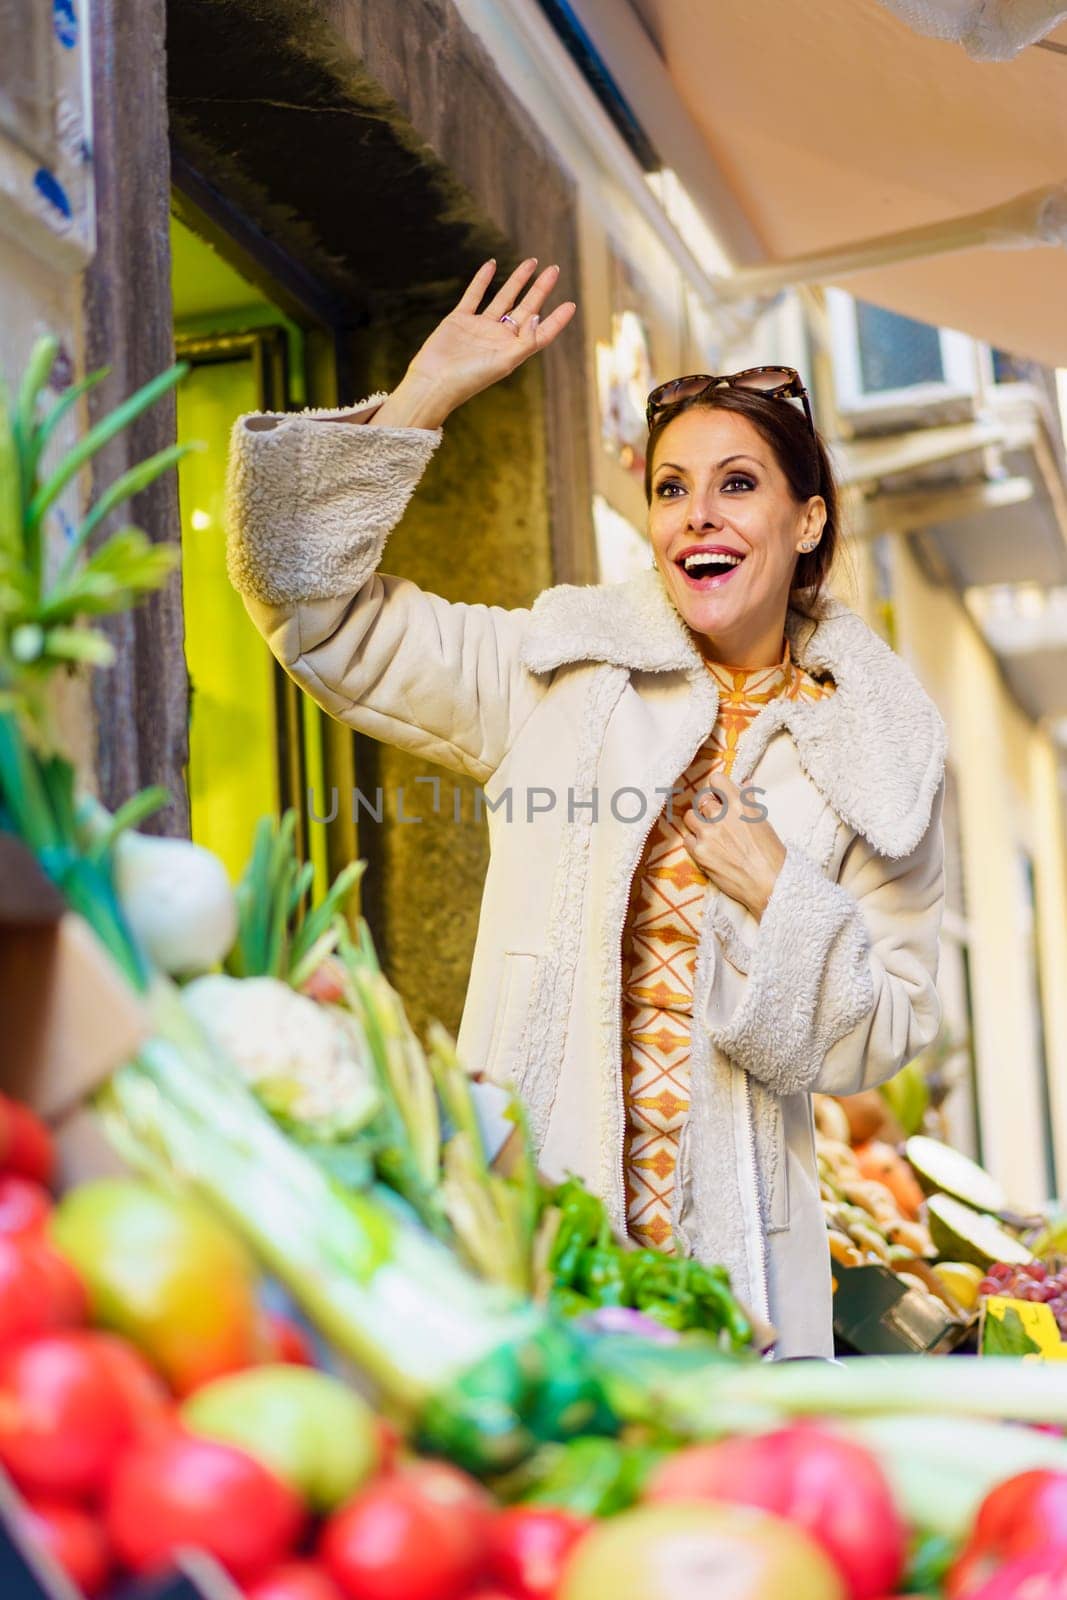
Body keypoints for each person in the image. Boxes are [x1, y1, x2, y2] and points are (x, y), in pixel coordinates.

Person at [225, 256, 947, 1356]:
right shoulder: (559, 674)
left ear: (806, 522)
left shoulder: (881, 751)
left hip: (737, 1281)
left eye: (737, 484)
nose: (696, 516)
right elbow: (308, 606)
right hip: (535, 1247)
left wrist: (779, 891)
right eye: (670, 487)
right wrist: (421, 399)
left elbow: (887, 1034)